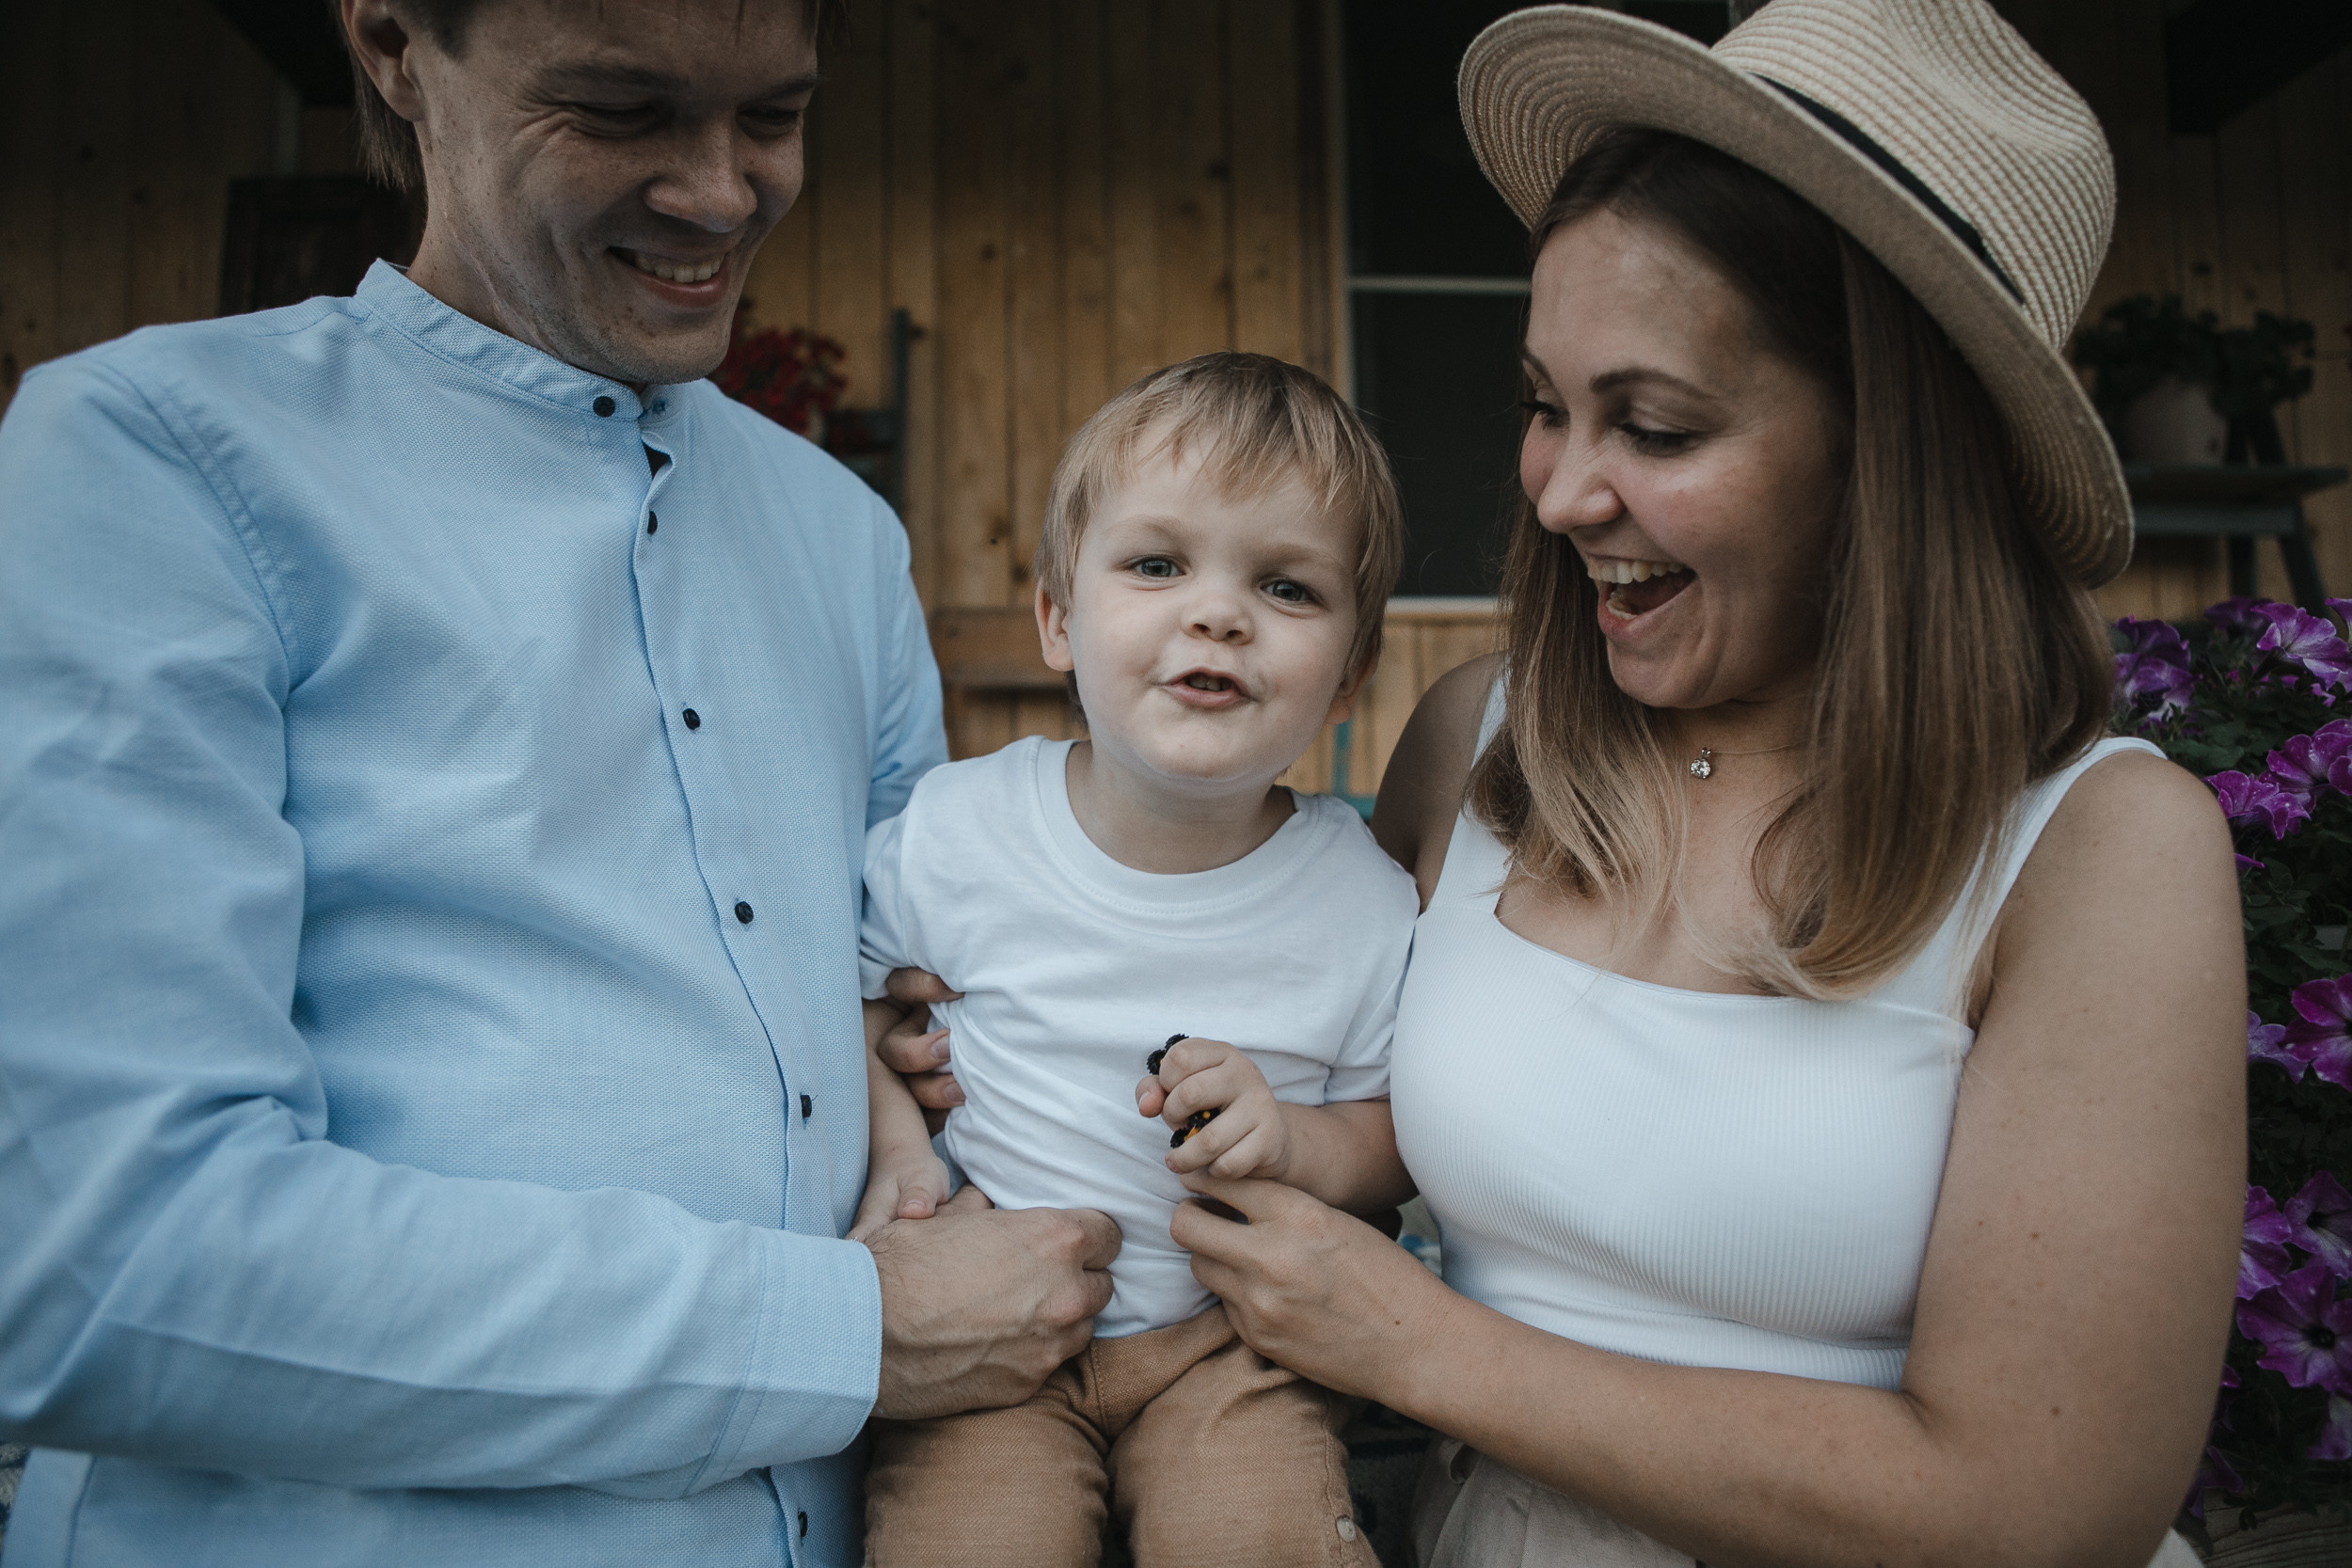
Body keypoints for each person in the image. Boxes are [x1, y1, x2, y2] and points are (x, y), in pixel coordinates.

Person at [0, 2, 1116, 1564]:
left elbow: (922, 1028)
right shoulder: (157, 461)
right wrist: (840, 1333)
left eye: (774, 117)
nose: (722, 193)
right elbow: (99, 1264)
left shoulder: (839, 538)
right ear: (396, 48)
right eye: (619, 109)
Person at [1152, 4, 2243, 1566]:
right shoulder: (1482, 743)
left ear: (1895, 454)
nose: (1562, 487)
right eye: (1545, 403)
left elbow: (2036, 1510)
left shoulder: (2098, 849)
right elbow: (1261, 1026)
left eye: (1652, 425)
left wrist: (1425, 1349)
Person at [854, 354, 1419, 1567]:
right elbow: (848, 997)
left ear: (1350, 678)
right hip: (988, 1327)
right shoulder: (958, 834)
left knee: (1262, 1541)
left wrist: (1295, 1141)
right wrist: (898, 1139)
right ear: (1060, 617)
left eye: (1286, 585)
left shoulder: (1360, 901)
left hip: (1237, 1344)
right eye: (1157, 565)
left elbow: (1393, 1142)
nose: (1216, 613)